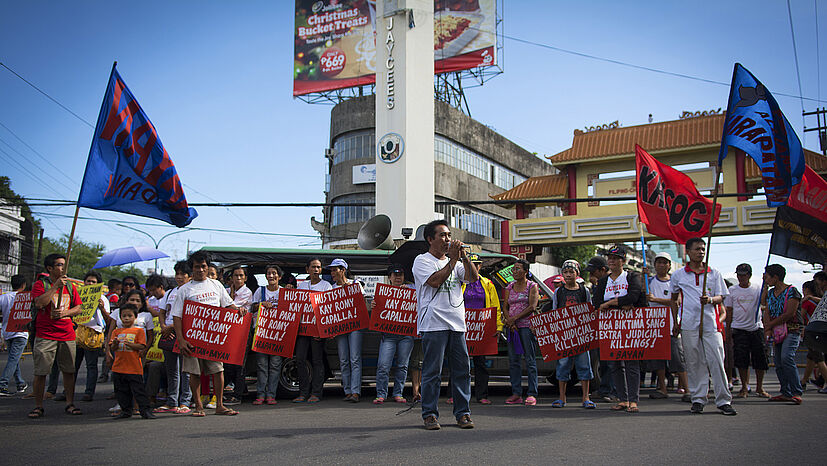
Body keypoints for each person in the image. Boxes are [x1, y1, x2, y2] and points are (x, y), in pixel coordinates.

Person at [414, 220, 478, 430]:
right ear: (430, 239)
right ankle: (430, 414)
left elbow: (472, 278)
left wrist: (464, 258)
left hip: (457, 324)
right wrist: (452, 261)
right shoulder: (422, 261)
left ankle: (463, 413)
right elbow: (434, 282)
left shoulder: (457, 263)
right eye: (442, 235)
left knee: (462, 371)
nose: (447, 239)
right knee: (433, 372)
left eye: (449, 235)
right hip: (433, 324)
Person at [669, 237, 736, 415]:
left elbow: (722, 296)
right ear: (688, 252)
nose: (701, 252)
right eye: (697, 249)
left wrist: (711, 300)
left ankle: (723, 400)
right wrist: (675, 322)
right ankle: (698, 398)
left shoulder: (713, 273)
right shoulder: (678, 275)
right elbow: (674, 299)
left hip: (710, 324)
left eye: (703, 249)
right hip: (689, 324)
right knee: (694, 362)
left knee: (716, 361)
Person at [171, 250, 242, 416]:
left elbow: (228, 305)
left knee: (218, 370)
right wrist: (181, 339)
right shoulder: (184, 290)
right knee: (194, 373)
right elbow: (177, 316)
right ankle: (198, 407)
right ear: (192, 268)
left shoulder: (216, 285)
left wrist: (240, 311)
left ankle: (219, 405)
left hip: (213, 338)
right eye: (197, 267)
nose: (201, 270)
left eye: (203, 266)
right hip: (192, 339)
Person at [593, 245, 647, 413]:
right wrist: (618, 304)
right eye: (610, 258)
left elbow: (634, 296)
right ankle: (622, 399)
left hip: (630, 326)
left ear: (623, 261)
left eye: (616, 258)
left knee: (631, 363)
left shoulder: (632, 277)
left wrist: (610, 303)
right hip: (610, 327)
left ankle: (633, 400)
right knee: (614, 364)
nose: (612, 261)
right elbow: (596, 302)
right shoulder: (603, 281)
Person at [28, 253, 84, 418]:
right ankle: (38, 406)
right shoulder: (41, 285)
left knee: (69, 371)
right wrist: (55, 288)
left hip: (67, 334)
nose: (62, 268)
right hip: (45, 334)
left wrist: (65, 313)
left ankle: (70, 403)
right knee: (41, 372)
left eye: (64, 264)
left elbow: (79, 308)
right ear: (50, 268)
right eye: (59, 265)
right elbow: (39, 303)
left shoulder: (71, 286)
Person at [458, 253, 502, 405]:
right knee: (459, 362)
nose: (473, 267)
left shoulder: (488, 284)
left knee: (480, 364)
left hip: (482, 329)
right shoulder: (460, 283)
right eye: (471, 264)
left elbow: (495, 306)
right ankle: (455, 394)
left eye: (476, 265)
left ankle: (482, 395)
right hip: (463, 328)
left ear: (480, 267)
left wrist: (498, 327)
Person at [552, 260, 595, 409]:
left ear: (577, 274)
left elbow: (589, 310)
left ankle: (586, 397)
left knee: (584, 365)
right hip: (564, 335)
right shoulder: (559, 292)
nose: (568, 275)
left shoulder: (584, 291)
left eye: (571, 272)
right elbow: (555, 311)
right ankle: (562, 397)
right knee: (563, 365)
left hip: (581, 335)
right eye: (566, 272)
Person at [646, 252, 688, 399]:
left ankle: (687, 390)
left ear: (669, 265)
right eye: (659, 262)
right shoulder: (649, 281)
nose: (661, 265)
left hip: (671, 324)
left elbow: (676, 301)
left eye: (664, 263)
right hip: (655, 326)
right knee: (658, 360)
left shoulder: (674, 283)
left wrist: (656, 299)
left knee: (678, 359)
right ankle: (662, 389)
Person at [724, 263, 770, 398]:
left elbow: (763, 302)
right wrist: (728, 330)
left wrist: (765, 285)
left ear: (749, 275)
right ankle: (744, 387)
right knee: (741, 360)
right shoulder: (732, 290)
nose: (741, 277)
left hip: (756, 328)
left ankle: (759, 388)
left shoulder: (757, 288)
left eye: (743, 275)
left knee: (760, 360)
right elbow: (729, 311)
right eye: (738, 275)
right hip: (738, 329)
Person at [373, 264, 415, 404]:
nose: (398, 277)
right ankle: (381, 394)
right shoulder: (383, 292)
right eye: (395, 275)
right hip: (388, 336)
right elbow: (377, 312)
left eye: (400, 275)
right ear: (390, 277)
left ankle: (398, 393)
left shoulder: (412, 289)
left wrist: (408, 292)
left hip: (406, 335)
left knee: (403, 365)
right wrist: (375, 305)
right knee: (383, 365)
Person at [763, 264, 804, 404]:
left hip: (791, 329)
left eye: (767, 276)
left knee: (787, 358)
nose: (765, 279)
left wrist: (770, 325)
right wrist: (768, 327)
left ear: (776, 277)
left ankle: (796, 391)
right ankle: (785, 392)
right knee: (779, 362)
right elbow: (766, 309)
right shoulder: (770, 292)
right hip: (777, 331)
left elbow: (789, 313)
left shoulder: (793, 292)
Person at [293, 258, 331, 404]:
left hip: (317, 331)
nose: (316, 270)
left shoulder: (326, 286)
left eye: (319, 267)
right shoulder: (302, 286)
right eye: (313, 267)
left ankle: (316, 392)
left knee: (317, 361)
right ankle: (303, 392)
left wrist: (322, 331)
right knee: (300, 359)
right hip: (303, 330)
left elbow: (328, 310)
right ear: (307, 269)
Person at [503, 259, 539, 407]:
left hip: (526, 326)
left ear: (525, 271)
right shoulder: (509, 287)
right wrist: (509, 321)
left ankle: (532, 393)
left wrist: (515, 319)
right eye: (513, 269)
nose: (515, 272)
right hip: (513, 329)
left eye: (518, 269)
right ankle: (516, 392)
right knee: (514, 360)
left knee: (530, 360)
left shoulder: (532, 286)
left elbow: (532, 306)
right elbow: (505, 306)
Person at [108, 304, 155, 419]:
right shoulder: (116, 332)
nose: (127, 318)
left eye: (129, 316)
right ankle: (126, 411)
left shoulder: (138, 331)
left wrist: (129, 344)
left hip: (134, 367)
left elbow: (141, 346)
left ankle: (145, 411)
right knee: (121, 391)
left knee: (139, 391)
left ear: (135, 317)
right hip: (119, 366)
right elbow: (112, 348)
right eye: (124, 316)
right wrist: (115, 344)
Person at [329, 258, 365, 403]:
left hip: (355, 326)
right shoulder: (331, 288)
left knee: (354, 358)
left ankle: (356, 391)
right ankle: (348, 390)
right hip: (340, 328)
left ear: (343, 270)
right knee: (343, 359)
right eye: (331, 270)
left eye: (334, 269)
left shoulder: (356, 284)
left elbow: (362, 304)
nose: (332, 273)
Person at [74, 271, 110, 401]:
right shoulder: (78, 295)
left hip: (93, 334)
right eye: (88, 281)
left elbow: (108, 319)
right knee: (73, 365)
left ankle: (89, 392)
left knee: (91, 365)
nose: (90, 283)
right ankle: (68, 392)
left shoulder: (103, 298)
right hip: (77, 333)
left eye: (93, 282)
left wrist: (101, 308)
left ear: (98, 285)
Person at [252, 264, 284, 405]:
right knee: (262, 365)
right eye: (269, 273)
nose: (271, 276)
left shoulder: (284, 292)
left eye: (274, 273)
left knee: (276, 365)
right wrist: (261, 304)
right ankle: (260, 394)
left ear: (279, 276)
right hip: (261, 333)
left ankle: (271, 395)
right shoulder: (260, 290)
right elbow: (251, 307)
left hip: (278, 334)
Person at [586, 255, 615, 402]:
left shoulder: (610, 282)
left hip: (612, 326)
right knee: (603, 360)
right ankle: (605, 388)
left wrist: (597, 286)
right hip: (600, 326)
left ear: (602, 270)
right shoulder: (599, 283)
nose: (591, 275)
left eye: (593, 272)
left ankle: (611, 390)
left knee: (610, 361)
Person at [224, 266, 252, 406]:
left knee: (239, 363)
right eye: (236, 275)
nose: (238, 278)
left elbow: (230, 306)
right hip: (229, 331)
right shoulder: (227, 291)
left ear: (245, 278)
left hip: (242, 332)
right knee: (229, 363)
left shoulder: (247, 292)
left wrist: (229, 304)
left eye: (241, 276)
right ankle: (243, 390)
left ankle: (238, 395)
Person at [0, 274, 29, 396]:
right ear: (23, 285)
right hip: (21, 333)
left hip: (7, 332)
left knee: (14, 359)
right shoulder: (26, 298)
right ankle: (3, 384)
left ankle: (20, 383)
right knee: (13, 359)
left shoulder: (3, 298)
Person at [800, 280, 827, 392]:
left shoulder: (807, 302)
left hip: (811, 331)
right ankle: (803, 381)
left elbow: (800, 316)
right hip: (821, 331)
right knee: (811, 357)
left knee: (818, 358)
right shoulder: (820, 301)